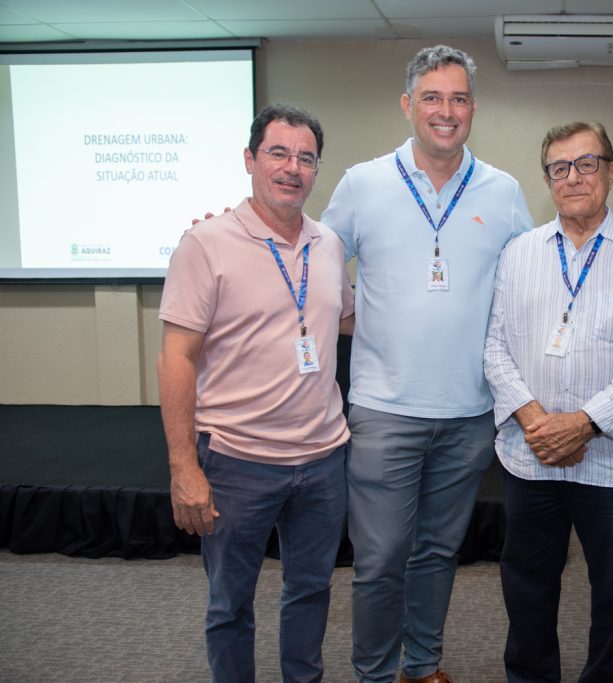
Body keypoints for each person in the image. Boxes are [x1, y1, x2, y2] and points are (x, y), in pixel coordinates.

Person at [319, 45, 533, 683]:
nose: (446, 111)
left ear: (473, 108)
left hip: (471, 412)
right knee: (381, 558)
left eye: (459, 98)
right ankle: (375, 674)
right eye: (433, 98)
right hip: (385, 409)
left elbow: (536, 275)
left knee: (438, 552)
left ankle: (423, 666)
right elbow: (314, 264)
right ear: (409, 105)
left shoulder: (502, 191)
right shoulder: (362, 183)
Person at [157, 103, 355, 683]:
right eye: (278, 153)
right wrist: (182, 467)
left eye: (305, 158)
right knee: (230, 605)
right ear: (250, 159)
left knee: (311, 591)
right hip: (238, 461)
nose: (292, 168)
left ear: (317, 169)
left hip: (322, 460)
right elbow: (177, 357)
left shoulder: (329, 244)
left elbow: (346, 319)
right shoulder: (206, 243)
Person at [483, 121, 613, 682]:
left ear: (611, 171)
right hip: (529, 455)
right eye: (559, 167)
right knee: (526, 586)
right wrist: (535, 420)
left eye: (587, 164)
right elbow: (494, 345)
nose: (573, 177)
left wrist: (586, 424)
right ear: (547, 178)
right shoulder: (517, 253)